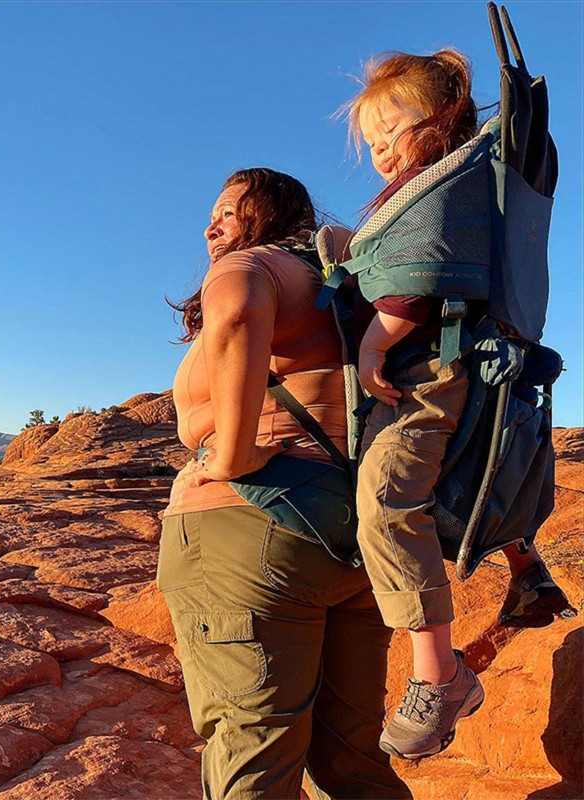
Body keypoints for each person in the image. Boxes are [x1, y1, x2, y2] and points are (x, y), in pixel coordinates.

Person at [345, 49, 573, 762]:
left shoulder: (443, 188)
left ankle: (438, 677)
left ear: (443, 119)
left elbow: (420, 275)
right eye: (372, 142)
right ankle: (528, 567)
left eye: (393, 131)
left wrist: (372, 344)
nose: (382, 151)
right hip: (467, 365)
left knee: (386, 504)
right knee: (469, 472)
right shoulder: (471, 175)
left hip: (428, 366)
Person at [157, 167, 411, 800]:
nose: (211, 226)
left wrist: (233, 455)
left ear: (269, 214)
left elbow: (237, 310)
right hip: (354, 535)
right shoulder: (359, 279)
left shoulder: (259, 264)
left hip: (248, 528)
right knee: (354, 760)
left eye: (228, 210)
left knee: (255, 751)